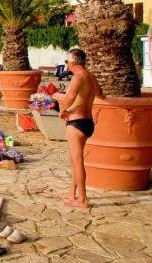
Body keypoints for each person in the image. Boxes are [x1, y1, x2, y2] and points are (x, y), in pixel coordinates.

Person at [53, 48, 102, 209]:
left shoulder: (78, 77)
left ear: (73, 62)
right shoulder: (90, 76)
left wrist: (62, 110)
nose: (66, 64)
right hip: (88, 122)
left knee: (77, 161)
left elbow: (71, 97)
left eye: (67, 62)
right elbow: (100, 95)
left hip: (76, 123)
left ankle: (82, 199)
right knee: (75, 161)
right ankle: (71, 194)